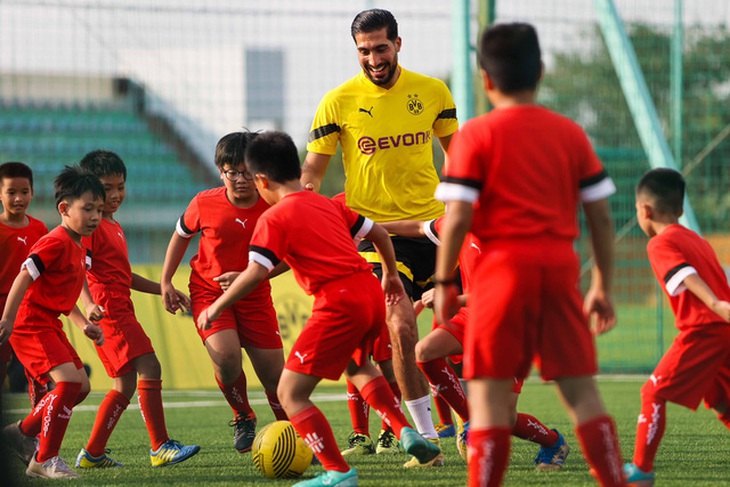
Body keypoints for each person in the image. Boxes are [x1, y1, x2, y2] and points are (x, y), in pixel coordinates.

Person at [433, 23, 626, 486]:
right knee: (583, 395)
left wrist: (442, 286)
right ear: (540, 72)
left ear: (486, 79)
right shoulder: (569, 133)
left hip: (500, 276)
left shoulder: (474, 137)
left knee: (489, 404)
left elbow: (457, 219)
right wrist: (601, 284)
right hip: (559, 270)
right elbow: (600, 216)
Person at [198, 130, 442, 487]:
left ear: (262, 180)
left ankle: (338, 471)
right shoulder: (328, 203)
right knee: (358, 365)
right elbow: (380, 235)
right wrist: (389, 275)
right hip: (369, 293)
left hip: (338, 302)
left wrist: (216, 307)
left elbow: (255, 273)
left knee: (290, 393)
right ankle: (407, 431)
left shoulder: (274, 218)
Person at [301, 8, 458, 466]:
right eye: (364, 50)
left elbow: (458, 152)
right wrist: (306, 191)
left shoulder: (433, 92)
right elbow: (314, 165)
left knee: (466, 335)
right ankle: (426, 440)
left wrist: (462, 205)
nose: (373, 58)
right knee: (400, 327)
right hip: (379, 235)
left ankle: (477, 422)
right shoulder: (338, 101)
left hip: (437, 230)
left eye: (380, 48)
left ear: (398, 45)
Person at [383, 216, 570, 469]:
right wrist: (374, 229)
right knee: (425, 352)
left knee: (504, 416)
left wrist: (451, 298)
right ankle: (470, 421)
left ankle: (553, 442)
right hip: (472, 316)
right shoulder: (456, 221)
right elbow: (418, 228)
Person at [160, 131, 288, 454]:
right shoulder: (204, 202)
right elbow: (180, 236)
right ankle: (243, 414)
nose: (241, 179)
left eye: (247, 171)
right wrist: (165, 281)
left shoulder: (274, 204)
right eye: (233, 172)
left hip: (255, 296)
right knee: (227, 358)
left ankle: (295, 433)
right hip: (208, 292)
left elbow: (291, 256)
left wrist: (254, 277)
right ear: (221, 171)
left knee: (275, 377)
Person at [76, 150, 200, 468]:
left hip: (120, 309)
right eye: (107, 187)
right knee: (151, 367)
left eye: (121, 186)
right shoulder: (91, 226)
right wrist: (89, 304)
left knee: (125, 384)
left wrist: (163, 288)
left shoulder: (112, 224)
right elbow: (77, 269)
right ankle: (160, 446)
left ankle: (92, 453)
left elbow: (124, 275)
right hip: (110, 313)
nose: (116, 194)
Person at [623, 168, 730, 486]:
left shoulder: (659, 243)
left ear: (645, 210)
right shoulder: (696, 239)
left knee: (653, 392)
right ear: (681, 209)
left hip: (704, 329)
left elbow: (684, 275)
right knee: (722, 400)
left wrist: (713, 304)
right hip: (723, 329)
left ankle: (641, 470)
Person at [0, 165, 105, 479]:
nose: (96, 216)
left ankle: (20, 432)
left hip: (48, 323)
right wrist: (7, 318)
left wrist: (84, 319)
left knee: (80, 387)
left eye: (99, 210)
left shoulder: (78, 244)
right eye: (88, 209)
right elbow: (23, 275)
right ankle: (44, 458)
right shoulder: (55, 240)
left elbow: (66, 290)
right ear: (64, 209)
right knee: (68, 384)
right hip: (30, 323)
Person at [330, 192, 402, 457]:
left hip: (384, 286)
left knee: (389, 363)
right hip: (346, 291)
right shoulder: (337, 203)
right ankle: (361, 436)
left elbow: (391, 237)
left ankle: (391, 433)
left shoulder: (396, 196)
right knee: (355, 361)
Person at [0, 162, 48, 407]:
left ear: (32, 192)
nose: (19, 198)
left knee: (37, 371)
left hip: (30, 311)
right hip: (2, 310)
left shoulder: (40, 229)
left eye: (24, 191)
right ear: (0, 194)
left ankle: (35, 431)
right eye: (11, 192)